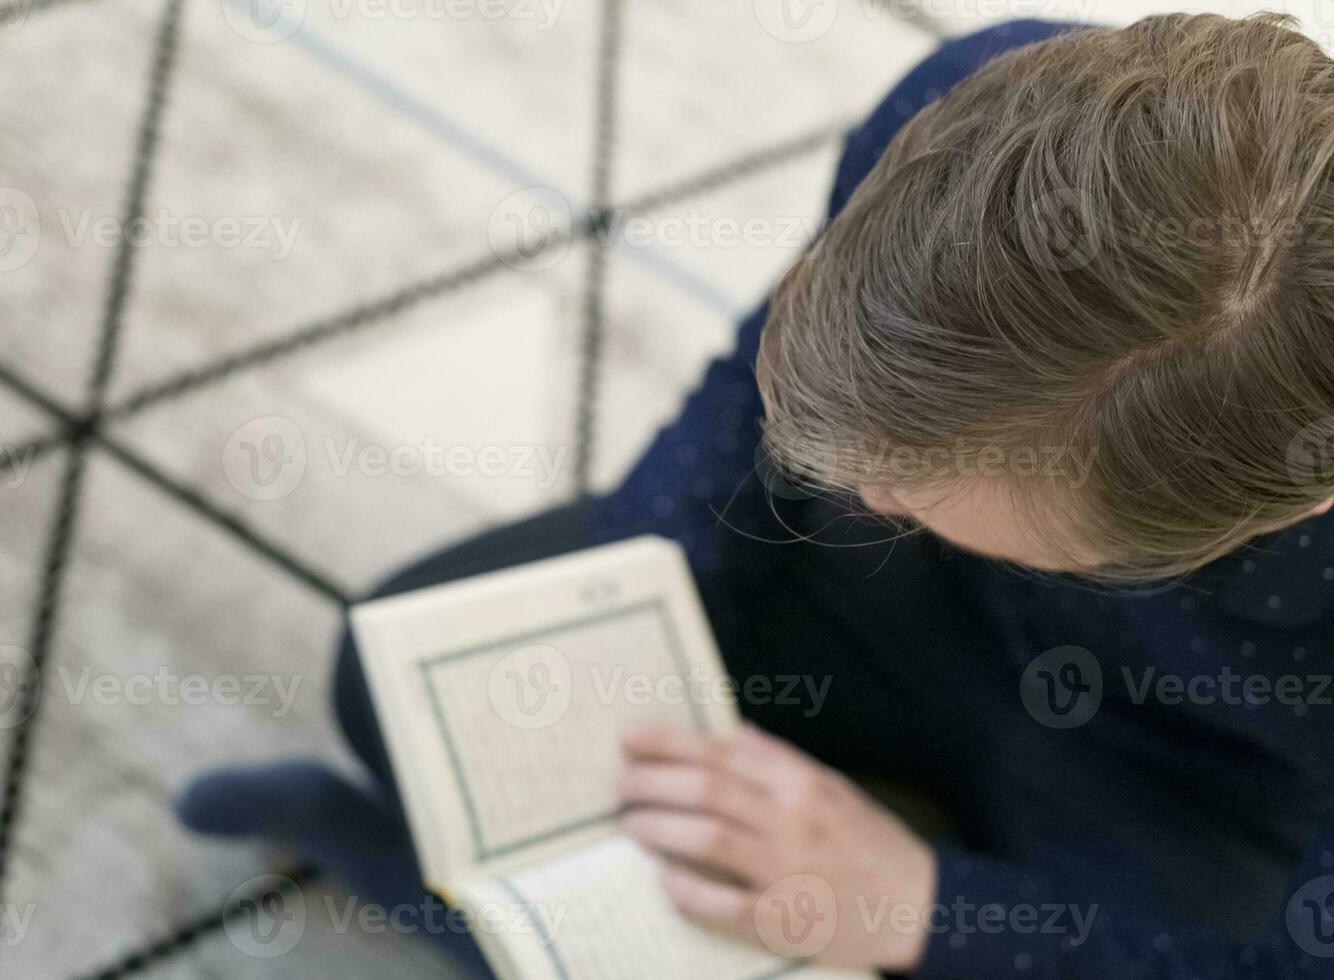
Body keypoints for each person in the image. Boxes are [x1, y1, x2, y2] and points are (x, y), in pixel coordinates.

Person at [177, 13, 1334, 977]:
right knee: (417, 688)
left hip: (1185, 774)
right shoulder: (974, 112)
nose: (865, 482)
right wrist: (632, 614)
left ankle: (423, 890)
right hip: (889, 602)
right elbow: (753, 407)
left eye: (918, 485)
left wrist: (919, 902)